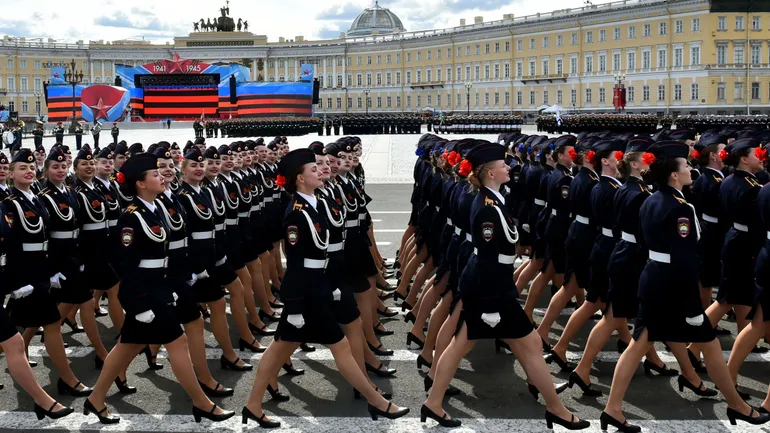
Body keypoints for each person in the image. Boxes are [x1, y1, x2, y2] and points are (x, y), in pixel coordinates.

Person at [600, 141, 769, 432]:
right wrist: (691, 307)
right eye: (685, 165)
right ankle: (737, 406)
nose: (691, 169)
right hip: (673, 284)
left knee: (643, 344)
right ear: (674, 175)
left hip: (655, 278)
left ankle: (613, 409)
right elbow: (683, 259)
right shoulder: (681, 208)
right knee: (702, 344)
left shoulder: (651, 199)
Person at [422, 143, 588, 430]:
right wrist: (490, 303)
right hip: (490, 286)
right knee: (481, 343)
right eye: (503, 165)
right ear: (490, 173)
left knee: (484, 343)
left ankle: (433, 403)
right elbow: (487, 258)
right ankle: (556, 409)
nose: (509, 168)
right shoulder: (487, 208)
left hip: (493, 283)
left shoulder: (494, 200)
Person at [242, 148, 410, 428]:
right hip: (306, 293)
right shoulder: (296, 213)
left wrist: (332, 284)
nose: (319, 172)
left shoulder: (314, 204)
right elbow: (296, 263)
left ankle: (252, 405)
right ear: (300, 178)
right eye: (313, 169)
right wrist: (296, 305)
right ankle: (378, 402)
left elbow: (324, 253)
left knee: (280, 348)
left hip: (318, 286)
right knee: (337, 347)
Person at [83, 152, 235, 424]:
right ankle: (201, 402)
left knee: (127, 346)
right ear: (140, 183)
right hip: (144, 293)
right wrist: (140, 303)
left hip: (159, 287)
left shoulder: (153, 209)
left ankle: (95, 399)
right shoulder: (131, 217)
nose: (162, 177)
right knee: (177, 341)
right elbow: (125, 265)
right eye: (155, 174)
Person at [4, 149, 93, 398]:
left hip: (40, 272)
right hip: (26, 275)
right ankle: (67, 380)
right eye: (22, 168)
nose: (29, 171)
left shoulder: (34, 199)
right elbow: (8, 245)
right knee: (37, 326)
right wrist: (15, 282)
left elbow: (47, 239)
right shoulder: (10, 204)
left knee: (27, 328)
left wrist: (52, 271)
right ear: (11, 174)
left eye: (32, 168)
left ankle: (65, 380)